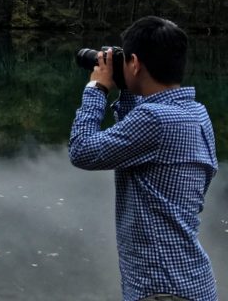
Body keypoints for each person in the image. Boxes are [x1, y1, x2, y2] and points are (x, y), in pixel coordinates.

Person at [68, 16, 218, 301]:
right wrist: (127, 87)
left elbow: (82, 150)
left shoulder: (155, 121)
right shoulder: (197, 114)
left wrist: (96, 89)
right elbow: (132, 133)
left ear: (135, 63)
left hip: (161, 289)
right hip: (190, 283)